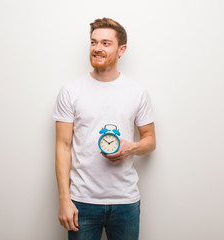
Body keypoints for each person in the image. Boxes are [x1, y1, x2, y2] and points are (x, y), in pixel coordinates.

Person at [53, 17, 156, 240]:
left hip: (126, 202)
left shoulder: (136, 92)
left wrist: (131, 148)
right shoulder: (71, 91)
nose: (97, 48)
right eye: (93, 42)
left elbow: (150, 140)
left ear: (122, 50)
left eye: (106, 43)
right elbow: (62, 146)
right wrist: (64, 199)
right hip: (82, 202)